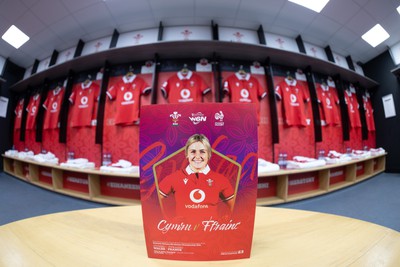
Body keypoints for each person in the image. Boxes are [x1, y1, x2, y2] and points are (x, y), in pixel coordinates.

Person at [158, 134, 235, 221]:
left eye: (202, 151)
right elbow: (153, 203)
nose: (197, 156)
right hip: (182, 233)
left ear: (209, 154)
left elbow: (236, 208)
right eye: (193, 152)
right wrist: (169, 222)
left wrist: (225, 222)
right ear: (187, 154)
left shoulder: (221, 180)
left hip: (211, 232)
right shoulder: (173, 178)